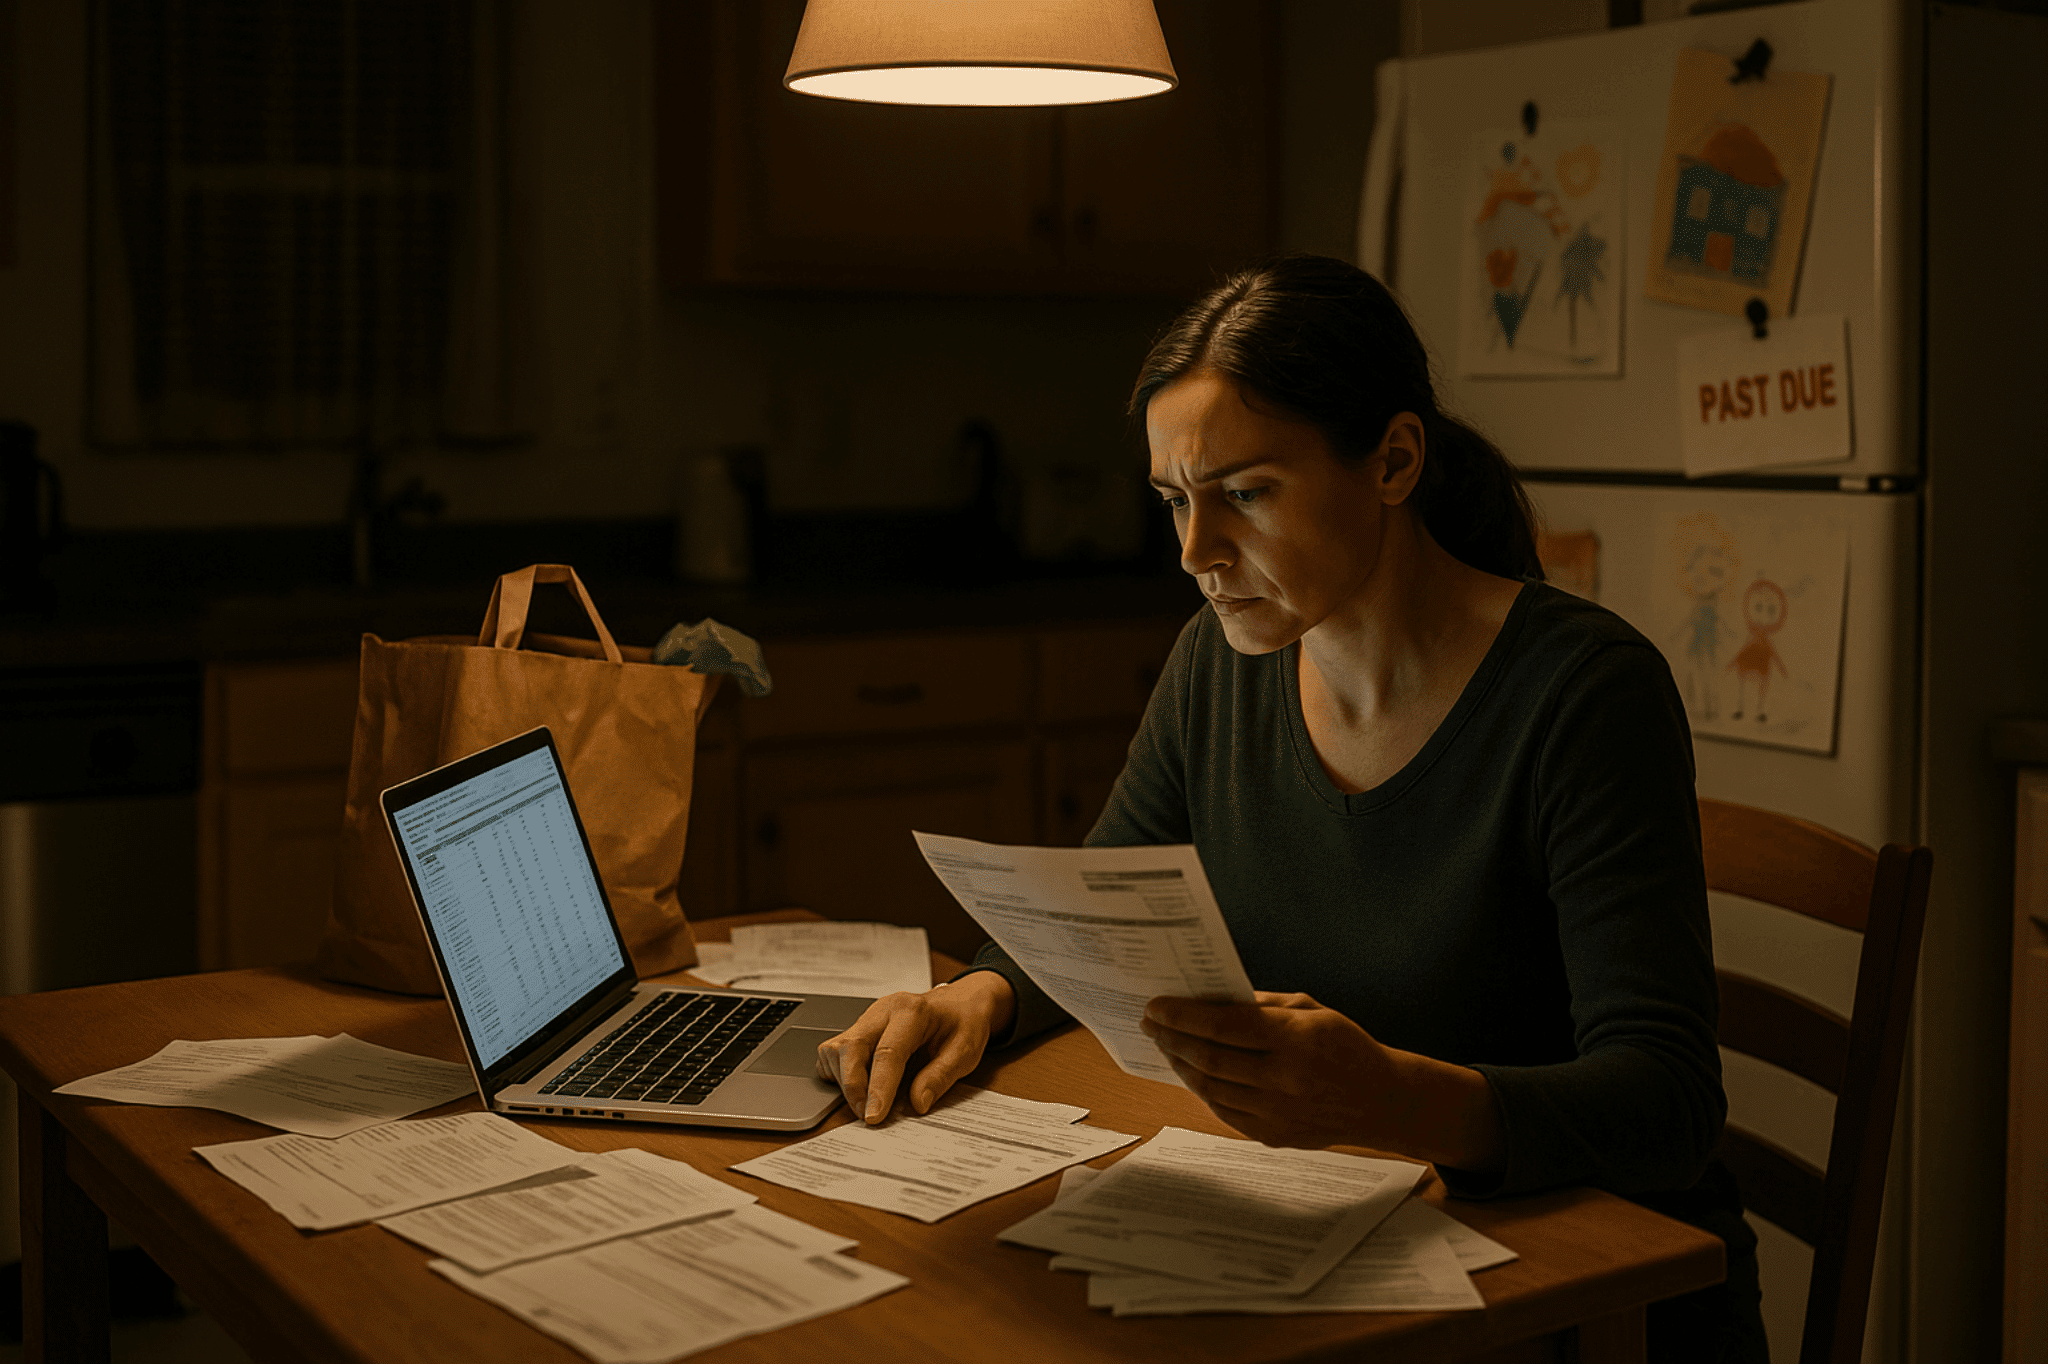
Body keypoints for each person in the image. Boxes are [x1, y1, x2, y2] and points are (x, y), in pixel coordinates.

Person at [815, 254, 1767, 1361]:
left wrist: (1392, 1101)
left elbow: (1666, 1105)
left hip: (1579, 1299)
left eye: (1245, 493)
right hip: (1339, 1252)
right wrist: (977, 993)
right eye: (1173, 500)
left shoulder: (1583, 693)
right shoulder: (1215, 666)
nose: (1193, 552)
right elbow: (1099, 903)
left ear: (1392, 462)